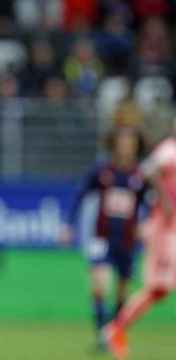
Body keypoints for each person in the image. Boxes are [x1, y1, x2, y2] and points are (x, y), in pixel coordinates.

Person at [61, 126, 149, 350]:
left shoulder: (141, 175)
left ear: (136, 146)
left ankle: (114, 334)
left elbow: (150, 204)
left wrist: (147, 226)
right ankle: (102, 335)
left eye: (130, 142)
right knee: (99, 286)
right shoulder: (102, 171)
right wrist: (69, 225)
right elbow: (80, 194)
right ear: (114, 144)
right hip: (101, 237)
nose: (125, 146)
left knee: (122, 292)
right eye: (122, 142)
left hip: (127, 241)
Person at [104, 119, 176, 360]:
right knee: (159, 287)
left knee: (159, 290)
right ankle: (116, 327)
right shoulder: (168, 150)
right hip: (164, 230)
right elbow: (147, 170)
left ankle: (116, 327)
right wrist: (164, 199)